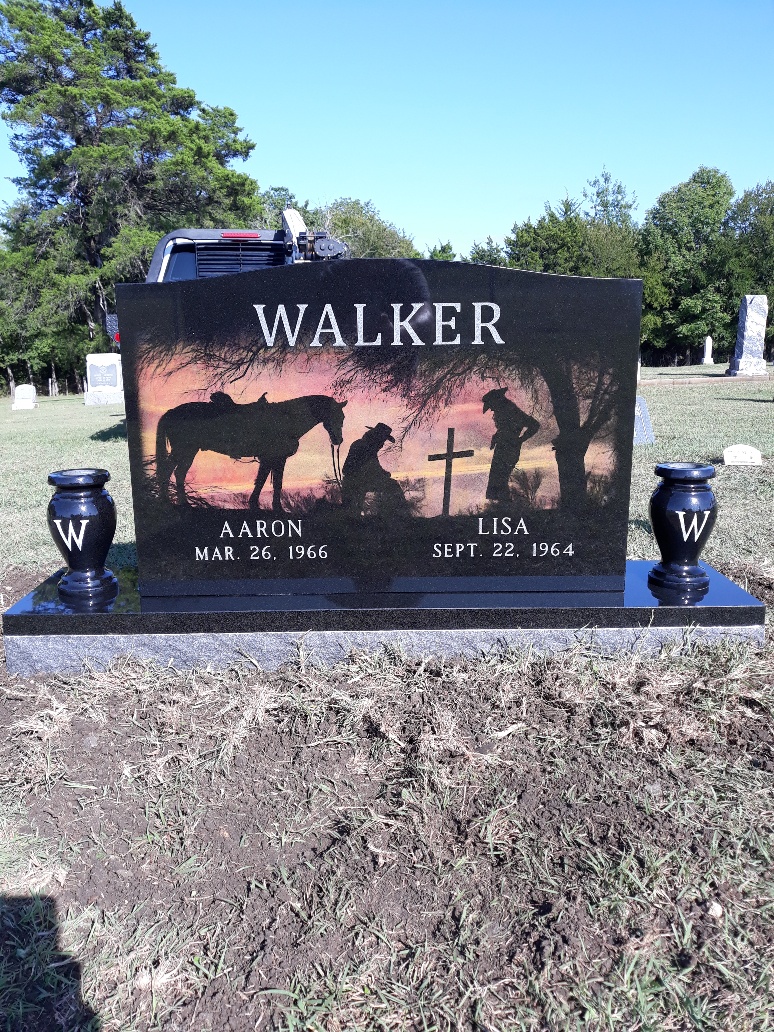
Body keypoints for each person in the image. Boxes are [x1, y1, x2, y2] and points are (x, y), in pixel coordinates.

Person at [482, 387, 540, 501]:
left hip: (509, 449)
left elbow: (534, 424)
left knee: (501, 479)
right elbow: (506, 429)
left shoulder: (512, 411)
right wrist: (497, 436)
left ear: (497, 401)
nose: (491, 409)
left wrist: (520, 440)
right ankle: (503, 507)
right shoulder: (504, 411)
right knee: (497, 480)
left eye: (491, 406)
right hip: (503, 448)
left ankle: (506, 508)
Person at [341, 423, 408, 514]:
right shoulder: (366, 447)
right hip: (355, 483)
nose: (382, 445)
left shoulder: (363, 445)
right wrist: (384, 474)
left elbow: (374, 467)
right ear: (376, 437)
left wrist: (383, 474)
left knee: (353, 512)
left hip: (354, 483)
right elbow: (372, 468)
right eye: (382, 441)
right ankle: (401, 514)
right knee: (392, 485)